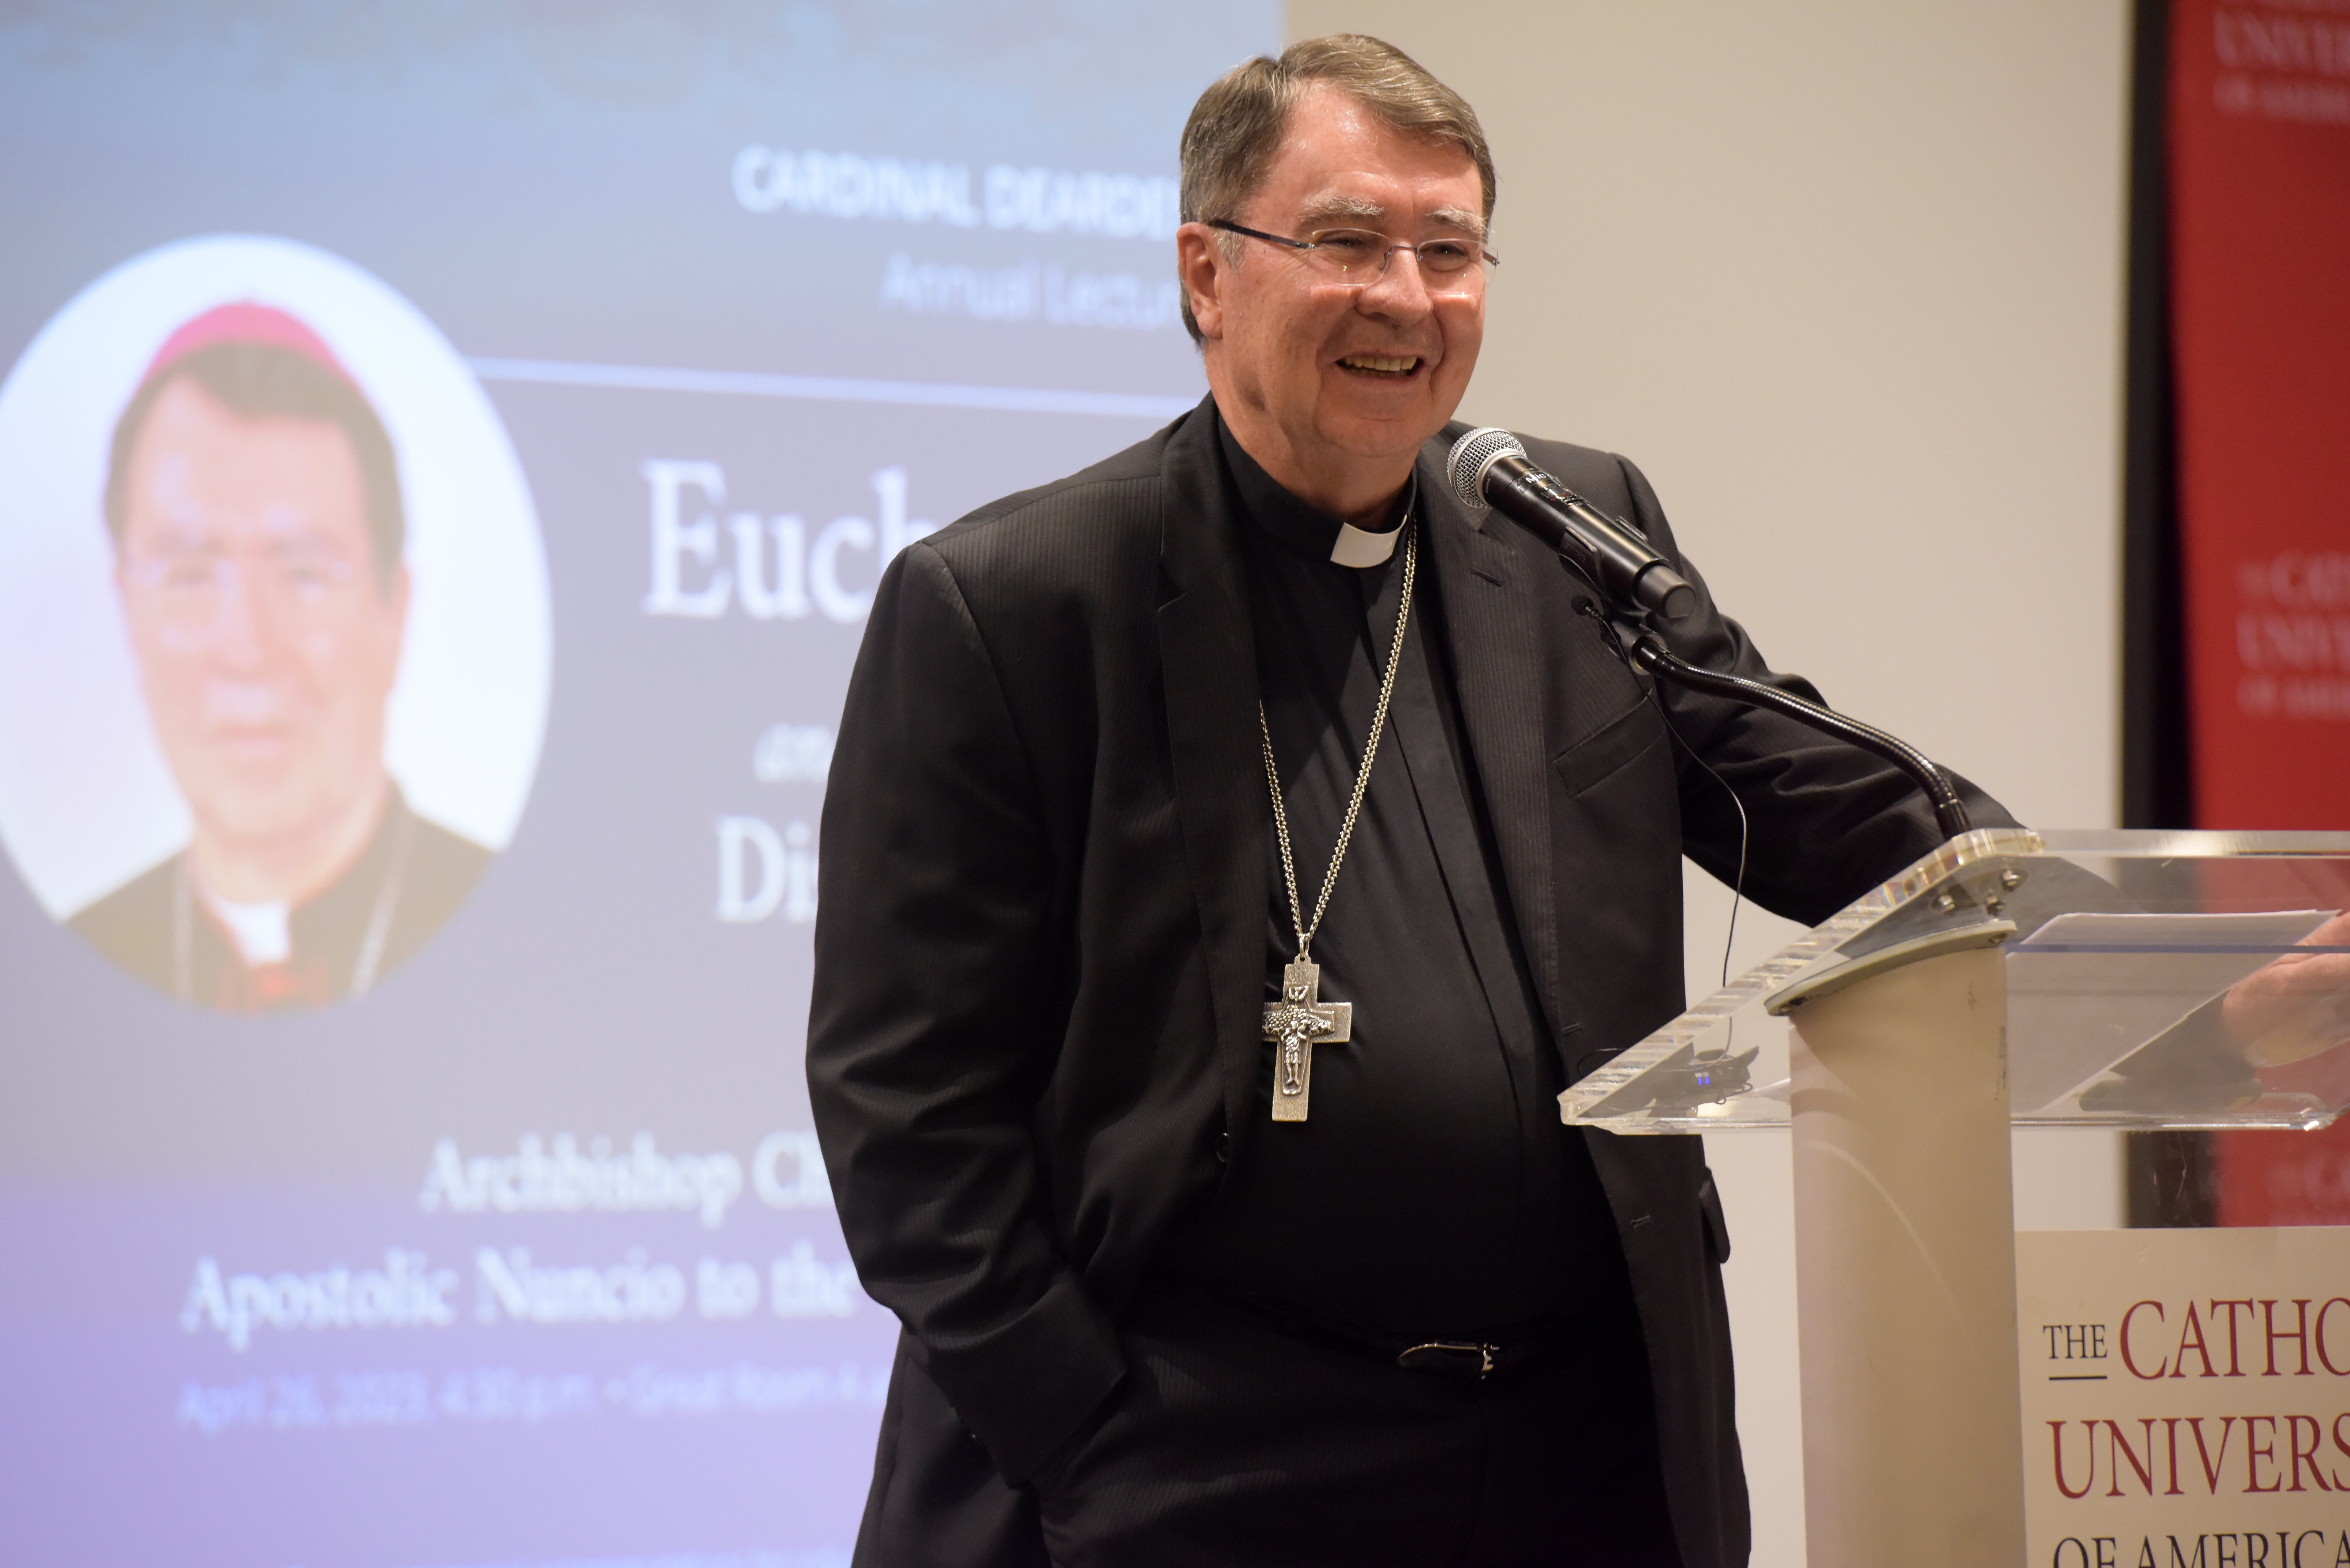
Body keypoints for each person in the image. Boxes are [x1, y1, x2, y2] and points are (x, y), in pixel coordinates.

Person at [808, 36, 2013, 1568]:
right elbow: (902, 1110)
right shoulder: (1013, 605)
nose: (1405, 294)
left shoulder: (1568, 533)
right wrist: (1083, 1428)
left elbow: (1802, 789)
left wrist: (2067, 916)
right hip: (1202, 1461)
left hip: (1575, 1447)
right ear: (1206, 273)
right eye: (1345, 241)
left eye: (1447, 249)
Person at [69, 303, 489, 1011]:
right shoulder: (60, 969)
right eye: (191, 576)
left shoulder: (532, 934)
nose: (247, 649)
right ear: (128, 616)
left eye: (304, 573)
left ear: (396, 612)